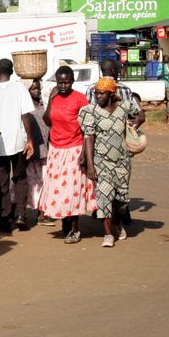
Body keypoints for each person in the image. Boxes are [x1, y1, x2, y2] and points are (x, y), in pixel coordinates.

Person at [39, 65, 94, 243]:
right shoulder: (54, 97)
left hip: (74, 148)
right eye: (60, 82)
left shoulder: (80, 99)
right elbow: (47, 120)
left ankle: (74, 229)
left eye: (66, 82)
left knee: (72, 191)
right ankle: (65, 221)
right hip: (56, 149)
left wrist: (85, 154)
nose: (63, 86)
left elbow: (88, 128)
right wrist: (50, 100)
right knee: (59, 190)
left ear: (72, 81)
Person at [80, 77, 133, 248]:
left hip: (122, 161)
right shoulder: (90, 111)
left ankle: (117, 222)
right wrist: (90, 164)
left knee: (121, 199)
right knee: (104, 198)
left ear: (111, 94)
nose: (98, 96)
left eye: (102, 93)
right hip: (101, 161)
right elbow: (88, 137)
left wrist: (136, 125)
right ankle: (108, 234)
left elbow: (140, 114)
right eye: (96, 93)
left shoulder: (123, 108)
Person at [0, 58, 35, 232]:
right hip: (18, 141)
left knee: (1, 181)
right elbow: (26, 115)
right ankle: (21, 214)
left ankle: (4, 218)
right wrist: (29, 139)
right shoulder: (19, 88)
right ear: (12, 71)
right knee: (20, 177)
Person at [85, 59, 145, 130]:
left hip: (97, 132)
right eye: (117, 70)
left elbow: (87, 112)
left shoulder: (91, 88)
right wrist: (139, 119)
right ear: (113, 70)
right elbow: (138, 112)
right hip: (120, 131)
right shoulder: (125, 89)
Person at [25, 79, 53, 226]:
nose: (37, 91)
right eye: (33, 89)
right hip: (30, 152)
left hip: (44, 150)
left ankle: (41, 213)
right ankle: (22, 213)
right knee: (30, 183)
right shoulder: (25, 108)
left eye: (38, 89)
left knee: (44, 182)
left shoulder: (43, 106)